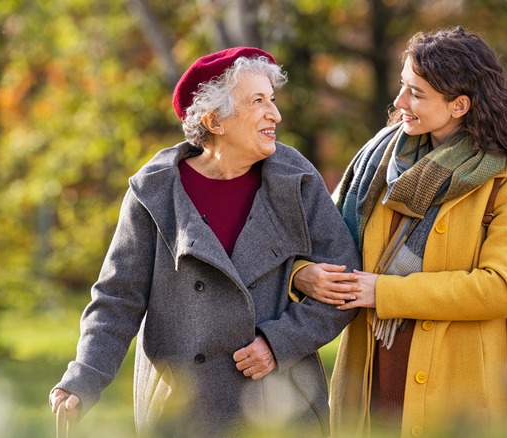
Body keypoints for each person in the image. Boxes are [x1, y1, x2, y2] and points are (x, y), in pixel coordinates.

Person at [49, 47, 361, 437]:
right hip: (185, 410)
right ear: (214, 120)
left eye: (273, 100)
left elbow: (346, 281)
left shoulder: (295, 179)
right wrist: (82, 379)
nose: (275, 115)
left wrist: (279, 342)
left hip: (282, 405)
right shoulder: (154, 192)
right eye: (258, 101)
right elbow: (117, 300)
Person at [293, 26, 507, 437]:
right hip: (370, 379)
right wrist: (302, 273)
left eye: (416, 93)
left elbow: (501, 288)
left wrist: (383, 292)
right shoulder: (379, 162)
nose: (399, 103)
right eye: (402, 87)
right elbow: (320, 242)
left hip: (459, 388)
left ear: (459, 105)